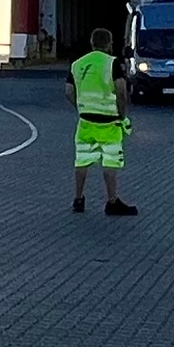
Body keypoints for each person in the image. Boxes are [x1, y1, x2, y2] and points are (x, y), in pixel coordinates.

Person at [70, 26, 136, 215]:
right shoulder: (112, 63)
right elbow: (121, 91)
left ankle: (78, 199)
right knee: (110, 162)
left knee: (82, 160)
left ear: (91, 43)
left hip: (85, 122)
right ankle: (112, 201)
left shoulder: (77, 64)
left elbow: (68, 91)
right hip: (109, 123)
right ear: (109, 44)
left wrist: (81, 107)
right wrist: (122, 115)